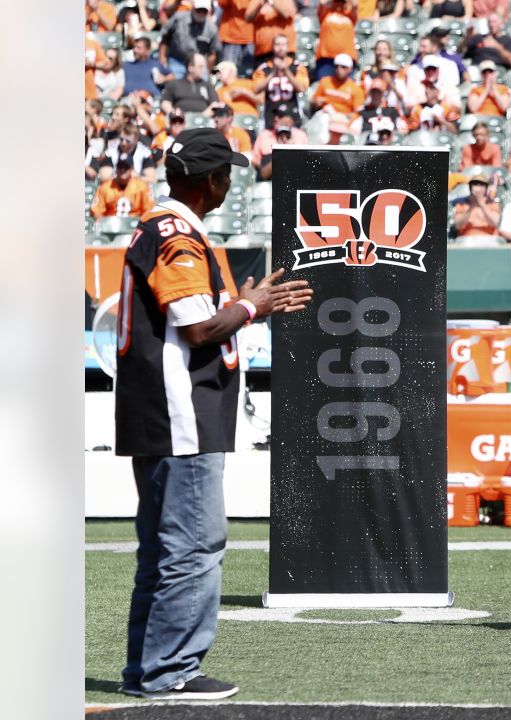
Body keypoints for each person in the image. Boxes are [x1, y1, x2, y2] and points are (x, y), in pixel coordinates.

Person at [115, 127, 312, 700]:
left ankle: (148, 670)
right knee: (192, 547)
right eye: (227, 173)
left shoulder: (166, 227)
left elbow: (197, 318)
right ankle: (170, 671)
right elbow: (197, 328)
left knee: (163, 549)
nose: (231, 182)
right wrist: (252, 306)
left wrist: (240, 306)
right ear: (211, 180)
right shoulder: (177, 233)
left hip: (163, 414)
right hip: (181, 417)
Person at [251, 34, 309, 127]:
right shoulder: (264, 68)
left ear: (287, 46)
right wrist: (273, 73)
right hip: (270, 116)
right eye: (277, 44)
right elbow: (256, 89)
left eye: (283, 44)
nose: (280, 48)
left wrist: (286, 70)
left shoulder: (297, 67)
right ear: (273, 46)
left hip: (293, 115)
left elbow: (301, 88)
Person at [158, 0, 222, 79]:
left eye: (204, 11)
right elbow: (165, 37)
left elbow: (212, 53)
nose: (201, 13)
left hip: (197, 65)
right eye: (199, 10)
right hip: (176, 61)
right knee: (171, 82)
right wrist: (162, 57)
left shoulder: (212, 28)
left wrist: (207, 71)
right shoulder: (178, 18)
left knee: (203, 83)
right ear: (193, 9)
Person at [251, 103, 308, 179]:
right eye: (275, 115)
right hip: (269, 179)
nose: (275, 118)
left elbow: (304, 163)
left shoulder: (300, 135)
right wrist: (280, 154)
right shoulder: (264, 135)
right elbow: (256, 163)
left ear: (290, 119)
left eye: (280, 116)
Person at [91, 157, 156, 219]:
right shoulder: (105, 187)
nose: (122, 170)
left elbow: (149, 210)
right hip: (111, 227)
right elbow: (97, 211)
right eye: (120, 167)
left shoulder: (142, 187)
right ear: (116, 169)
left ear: (132, 169)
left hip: (135, 226)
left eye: (126, 167)